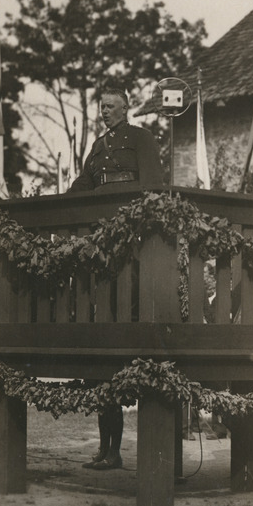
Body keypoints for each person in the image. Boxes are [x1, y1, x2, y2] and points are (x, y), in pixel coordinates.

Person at [68, 87, 163, 470]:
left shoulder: (140, 138)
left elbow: (153, 185)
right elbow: (83, 185)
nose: (104, 112)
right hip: (101, 247)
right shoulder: (97, 146)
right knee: (101, 369)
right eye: (101, 107)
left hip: (133, 244)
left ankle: (117, 450)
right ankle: (108, 450)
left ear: (126, 109)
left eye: (111, 106)